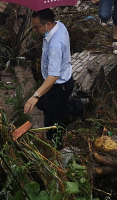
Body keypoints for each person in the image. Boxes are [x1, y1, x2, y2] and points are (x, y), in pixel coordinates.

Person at [23, 9, 86, 144]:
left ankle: (55, 145)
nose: (34, 30)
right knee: (47, 104)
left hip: (58, 86)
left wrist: (35, 96)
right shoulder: (59, 25)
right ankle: (80, 106)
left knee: (51, 117)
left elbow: (53, 77)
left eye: (36, 27)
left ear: (48, 24)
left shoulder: (55, 46)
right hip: (65, 79)